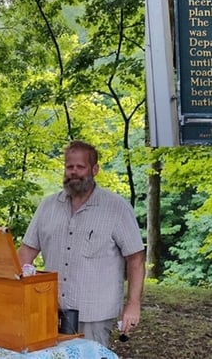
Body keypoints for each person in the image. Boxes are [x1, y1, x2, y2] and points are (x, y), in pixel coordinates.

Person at [17, 140, 145, 347]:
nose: (73, 172)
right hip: (49, 310)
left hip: (94, 315)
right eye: (69, 167)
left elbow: (136, 259)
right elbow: (25, 253)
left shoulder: (116, 208)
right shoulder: (47, 206)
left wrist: (133, 305)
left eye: (80, 167)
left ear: (95, 169)